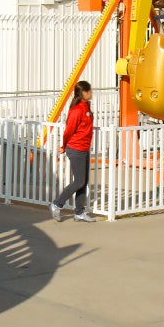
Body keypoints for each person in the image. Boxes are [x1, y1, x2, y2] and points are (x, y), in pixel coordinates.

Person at [50, 81, 96, 222]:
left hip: (84, 147)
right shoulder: (77, 110)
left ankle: (79, 212)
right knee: (79, 181)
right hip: (76, 148)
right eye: (89, 91)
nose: (91, 93)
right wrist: (64, 145)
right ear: (83, 93)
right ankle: (57, 204)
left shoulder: (86, 107)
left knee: (84, 181)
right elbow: (69, 130)